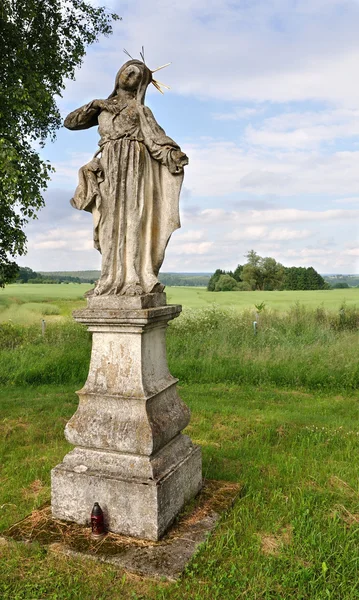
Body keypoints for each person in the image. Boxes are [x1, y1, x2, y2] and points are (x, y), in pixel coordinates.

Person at [64, 59, 188, 296]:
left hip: (134, 165)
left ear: (140, 84)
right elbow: (70, 122)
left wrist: (173, 155)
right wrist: (97, 103)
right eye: (128, 69)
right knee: (110, 222)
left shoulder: (140, 110)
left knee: (133, 219)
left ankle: (133, 278)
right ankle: (109, 278)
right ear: (119, 73)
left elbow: (156, 142)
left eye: (137, 74)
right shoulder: (101, 108)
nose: (130, 74)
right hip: (109, 167)